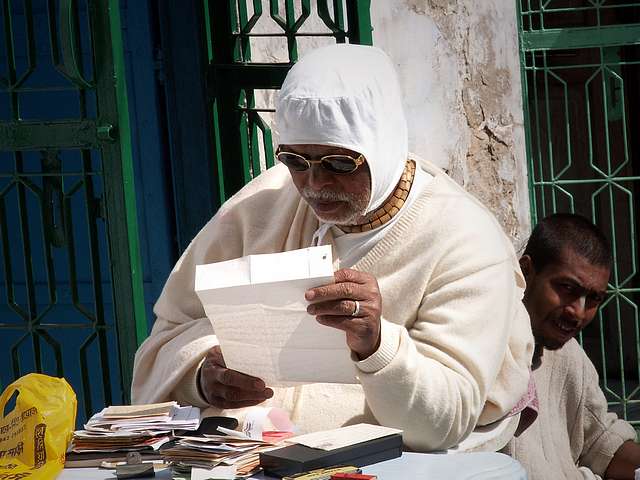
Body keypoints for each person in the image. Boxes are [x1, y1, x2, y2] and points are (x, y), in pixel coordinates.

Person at [131, 43, 534, 452]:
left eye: (339, 164)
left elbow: (444, 423)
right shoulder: (260, 207)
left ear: (383, 146)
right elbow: (165, 341)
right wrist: (202, 376)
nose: (314, 185)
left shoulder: (464, 238)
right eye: (295, 161)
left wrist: (377, 345)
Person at [504, 213, 640, 479]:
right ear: (526, 271)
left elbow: (601, 442)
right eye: (567, 288)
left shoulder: (569, 355)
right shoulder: (481, 349)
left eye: (593, 299)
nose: (578, 312)